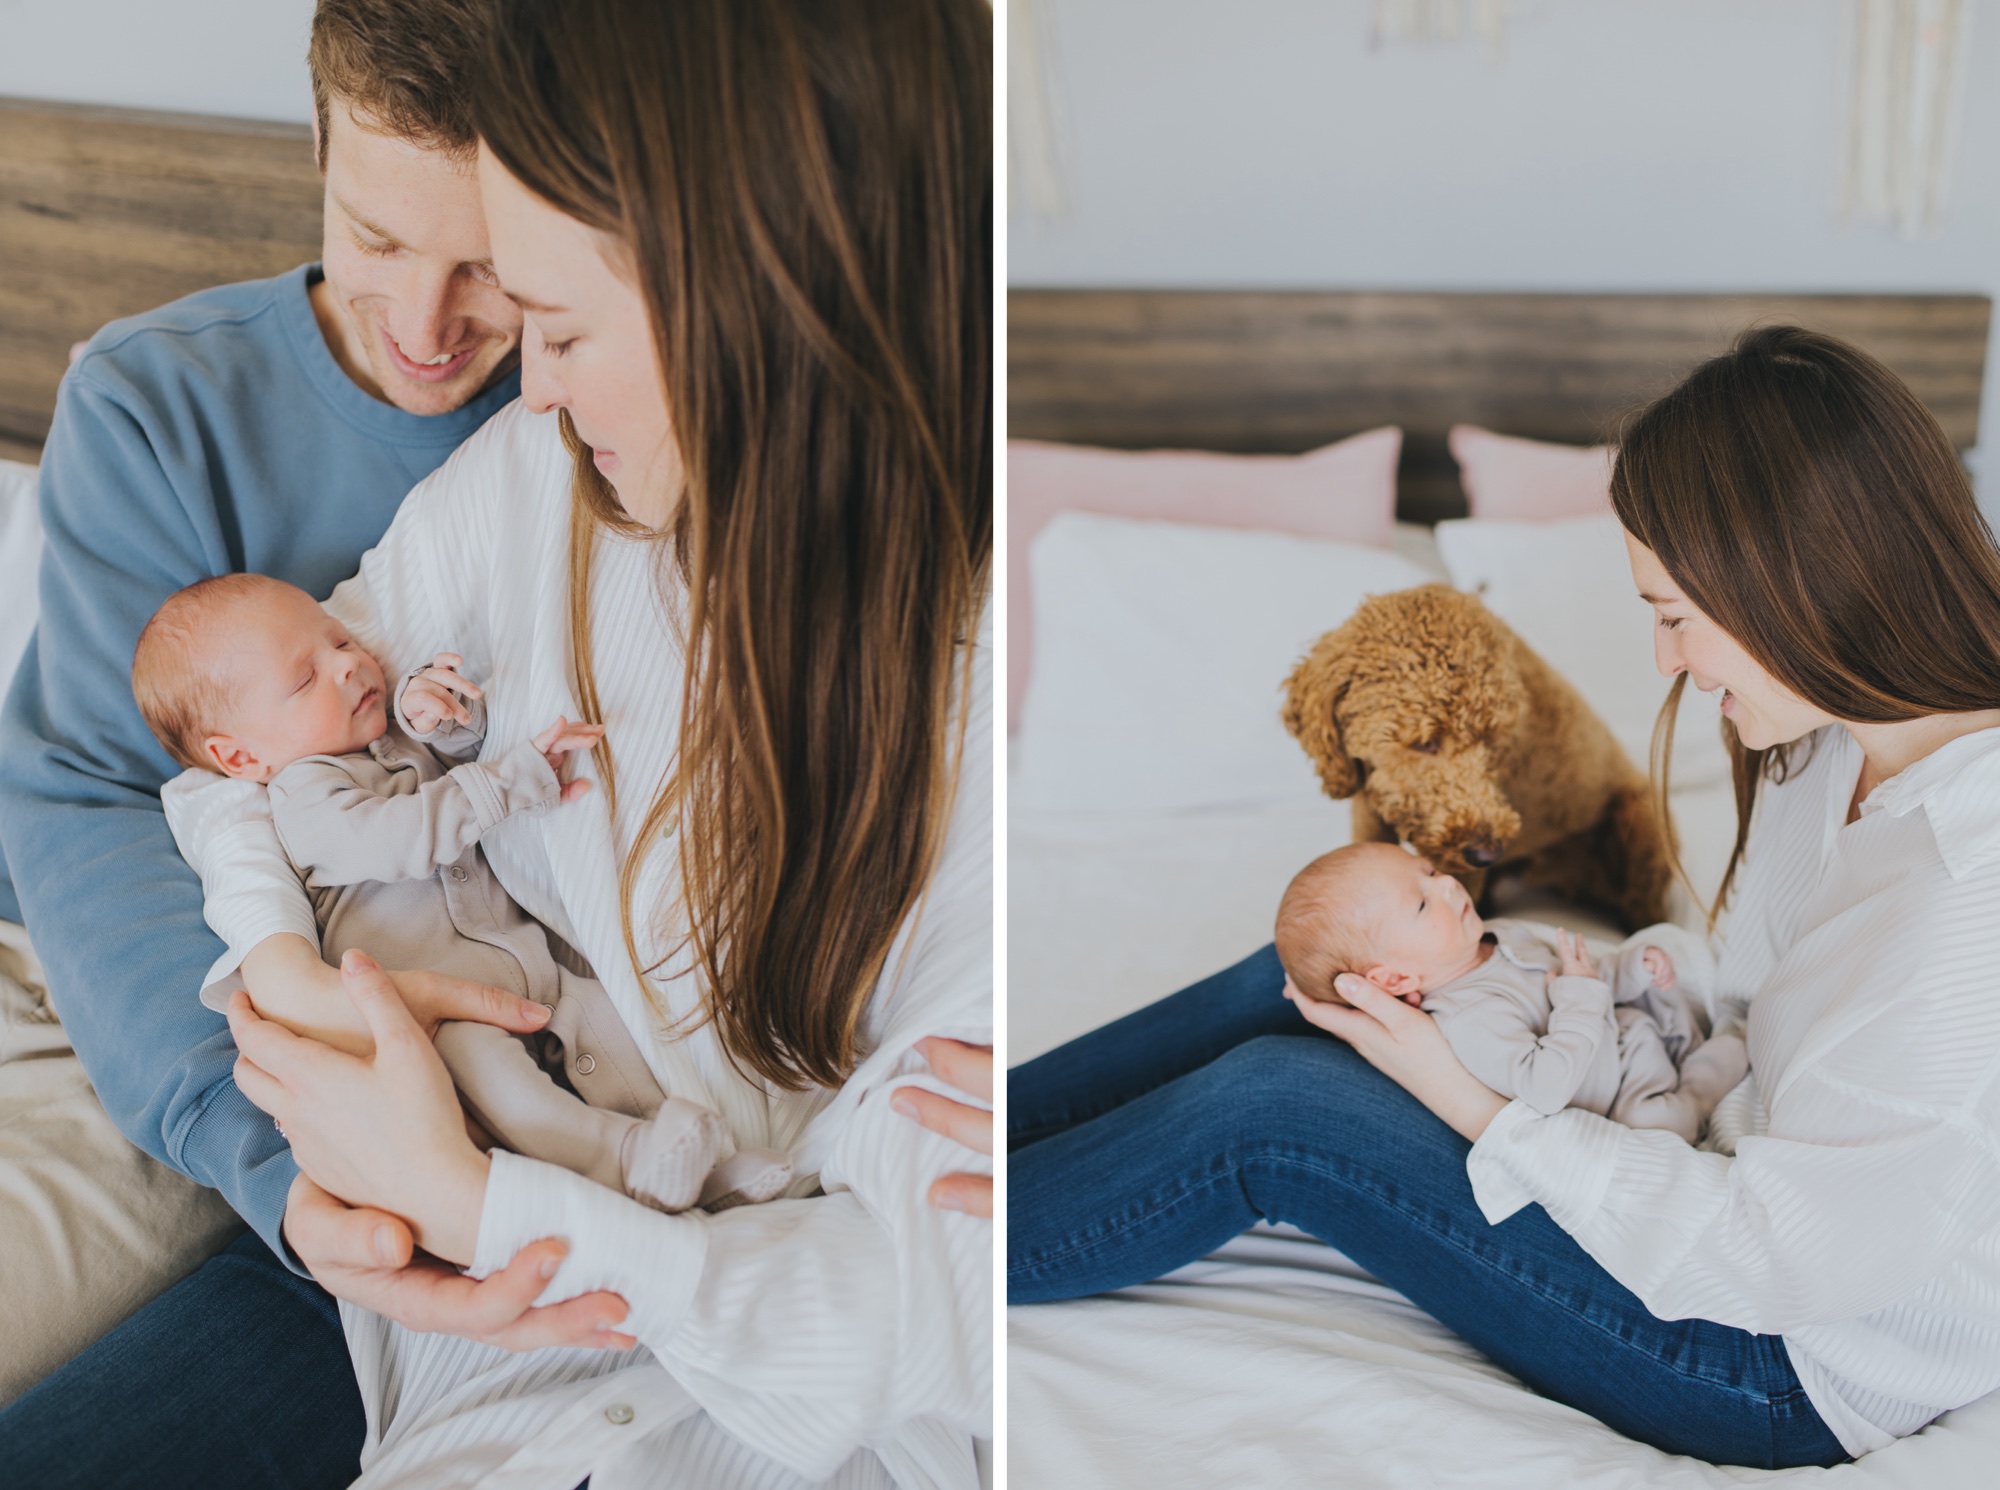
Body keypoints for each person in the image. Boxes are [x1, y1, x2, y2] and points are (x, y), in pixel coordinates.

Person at [139, 0, 990, 1486]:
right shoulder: (525, 488)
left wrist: (473, 1200)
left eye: (562, 328)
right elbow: (248, 757)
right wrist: (271, 955)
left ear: (751, 307)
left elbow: (923, 1308)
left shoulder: (969, 724)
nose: (517, 381)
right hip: (460, 1378)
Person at [1010, 326, 2000, 1470]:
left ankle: (948, 1229)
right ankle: (973, 1121)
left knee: (1276, 1108)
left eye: (1674, 612)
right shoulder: (1835, 741)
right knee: (1328, 964)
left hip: (1776, 1357)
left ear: (1803, 583)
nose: (1664, 659)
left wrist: (1487, 1108)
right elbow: (1745, 983)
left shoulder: (1958, 905)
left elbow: (1771, 1255)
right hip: (1705, 1143)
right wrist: (1538, 967)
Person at [0, 0, 552, 1444]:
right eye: (377, 238)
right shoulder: (155, 400)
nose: (428, 327)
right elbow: (80, 795)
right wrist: (269, 1152)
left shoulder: (607, 414)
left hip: (406, 1030)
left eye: (490, 262)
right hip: (109, 996)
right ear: (318, 137)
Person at [132, 573, 787, 1213]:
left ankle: (691, 1163)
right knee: (508, 1091)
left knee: (607, 1024)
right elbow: (398, 836)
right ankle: (621, 1160)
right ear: (242, 759)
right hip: (439, 1012)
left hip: (529, 960)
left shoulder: (388, 735)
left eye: (340, 641)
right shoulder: (301, 800)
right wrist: (505, 781)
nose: (346, 667)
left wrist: (448, 724)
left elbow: (467, 759)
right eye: (304, 679)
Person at [1275, 841, 1745, 1141]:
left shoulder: (1495, 935)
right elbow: (1544, 1087)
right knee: (1661, 1128)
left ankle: (1694, 1045)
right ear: (1394, 981)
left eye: (1431, 872)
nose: (1448, 886)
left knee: (1670, 999)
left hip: (1629, 1031)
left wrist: (1631, 970)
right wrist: (1583, 995)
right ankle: (1699, 1096)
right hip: (1621, 1094)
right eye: (1421, 903)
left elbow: (1577, 973)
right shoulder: (1468, 1019)